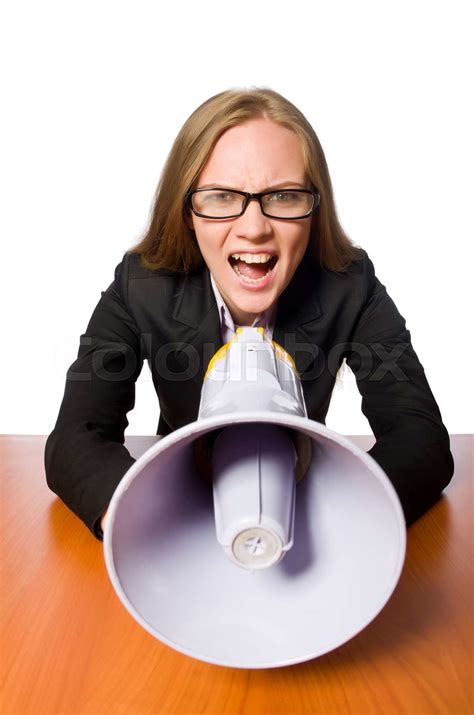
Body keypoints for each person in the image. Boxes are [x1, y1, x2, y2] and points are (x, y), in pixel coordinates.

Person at [45, 87, 454, 538]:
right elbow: (74, 439)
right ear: (187, 212)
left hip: (297, 504)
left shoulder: (349, 284)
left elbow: (422, 439)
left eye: (283, 196)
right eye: (221, 197)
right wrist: (147, 522)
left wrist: (342, 520)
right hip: (184, 506)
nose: (254, 228)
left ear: (314, 210)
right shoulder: (140, 285)